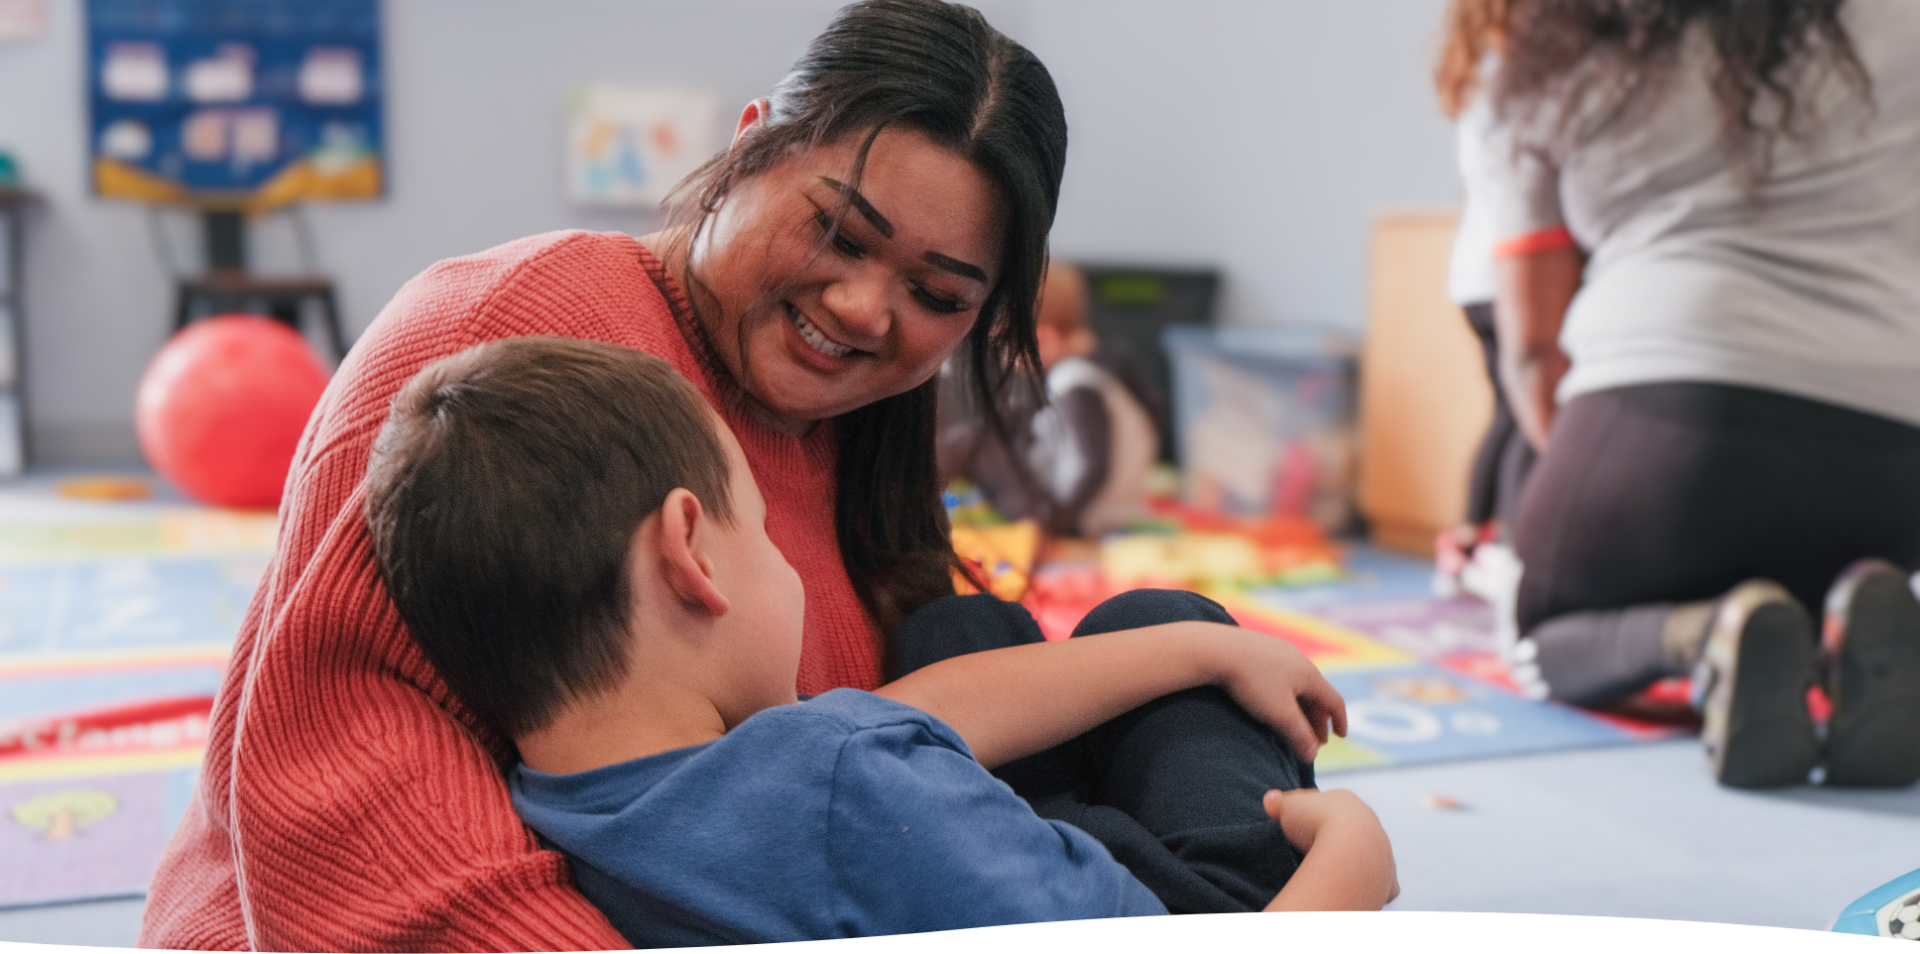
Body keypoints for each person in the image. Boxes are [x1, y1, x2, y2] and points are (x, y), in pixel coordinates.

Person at [140, 3, 1328, 948]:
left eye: (937, 297)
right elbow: (343, 780)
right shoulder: (526, 350)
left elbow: (873, 735)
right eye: (841, 234)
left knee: (1059, 625)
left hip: (871, 853)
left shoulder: (859, 417)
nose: (866, 310)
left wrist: (1188, 648)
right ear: (751, 141)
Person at [361, 337, 1398, 943]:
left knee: (965, 630)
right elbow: (862, 763)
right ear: (691, 552)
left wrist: (1207, 656)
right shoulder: (845, 785)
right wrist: (1355, 865)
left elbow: (891, 730)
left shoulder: (565, 799)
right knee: (1157, 617)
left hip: (934, 860)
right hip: (1198, 899)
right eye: (761, 530)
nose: (782, 558)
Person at [1479, 0, 1920, 787]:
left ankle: (1705, 630)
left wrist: (1595, 491)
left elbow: (1529, 345)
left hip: (1665, 418)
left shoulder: (1560, 40)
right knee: (1838, 586)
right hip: (1892, 451)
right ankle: (1841, 629)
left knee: (1536, 640)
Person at [1431, 0, 1535, 598]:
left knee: (1507, 410)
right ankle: (1499, 545)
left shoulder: (1475, 73)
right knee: (1523, 412)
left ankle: (1471, 540)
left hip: (1473, 273)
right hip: (1504, 271)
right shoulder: (1512, 75)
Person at [938, 261, 1160, 537]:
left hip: (1082, 519)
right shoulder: (1075, 378)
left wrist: (1053, 523)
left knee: (975, 435)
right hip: (1080, 513)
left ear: (1044, 341)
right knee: (988, 425)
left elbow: (1089, 467)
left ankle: (928, 505)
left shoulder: (1076, 381)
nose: (1005, 357)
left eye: (1007, 345)